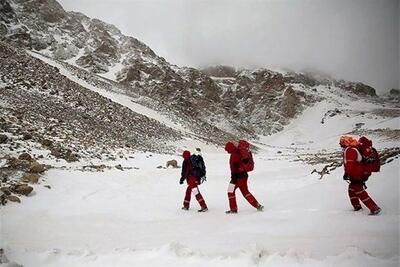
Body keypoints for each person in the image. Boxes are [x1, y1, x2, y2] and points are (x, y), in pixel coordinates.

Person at [340, 136, 381, 215]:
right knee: (352, 189)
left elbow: (350, 163)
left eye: (341, 143)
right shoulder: (354, 148)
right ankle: (357, 207)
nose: (341, 145)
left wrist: (346, 173)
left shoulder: (350, 150)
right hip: (361, 172)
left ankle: (374, 208)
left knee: (358, 190)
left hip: (357, 173)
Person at [224, 141, 263, 214]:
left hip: (237, 177)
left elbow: (235, 168)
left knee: (230, 191)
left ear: (230, 148)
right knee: (245, 192)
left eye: (227, 149)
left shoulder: (235, 155)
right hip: (244, 176)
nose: (227, 151)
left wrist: (234, 178)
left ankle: (233, 209)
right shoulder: (238, 152)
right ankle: (257, 205)